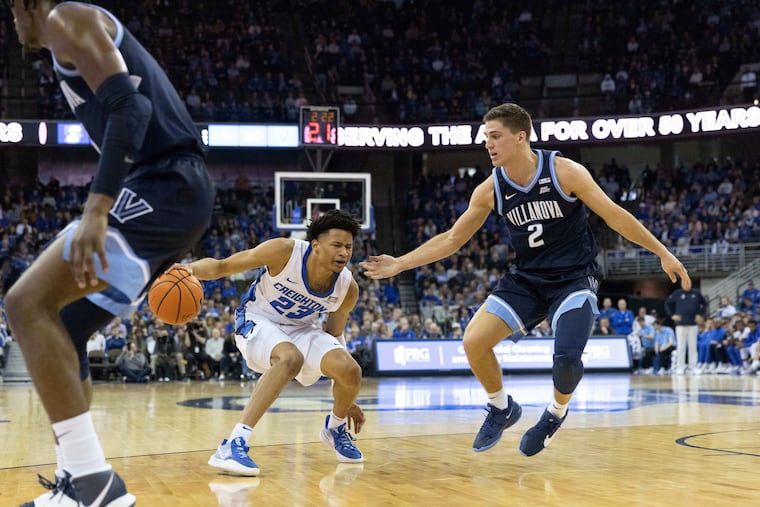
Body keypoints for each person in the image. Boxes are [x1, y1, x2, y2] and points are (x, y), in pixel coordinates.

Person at [361, 103, 690, 457]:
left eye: (495, 136)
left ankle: (554, 414)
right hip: (527, 279)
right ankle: (501, 407)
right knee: (473, 341)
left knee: (565, 360)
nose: (488, 143)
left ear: (521, 137)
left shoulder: (565, 172)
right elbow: (452, 239)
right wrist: (400, 264)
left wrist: (663, 252)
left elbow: (614, 215)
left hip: (574, 278)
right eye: (485, 137)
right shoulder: (490, 189)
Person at [2, 2, 214, 506]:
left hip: (164, 182)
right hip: (171, 187)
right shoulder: (69, 31)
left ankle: (94, 485)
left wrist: (97, 209)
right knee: (66, 326)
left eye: (12, 9)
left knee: (25, 303)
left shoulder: (65, 18)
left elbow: (132, 108)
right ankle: (77, 484)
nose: (13, 23)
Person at [179, 209, 365, 476]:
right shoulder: (284, 252)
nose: (344, 253)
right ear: (316, 245)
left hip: (301, 329)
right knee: (290, 358)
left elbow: (334, 335)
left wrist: (346, 395)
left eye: (348, 247)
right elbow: (222, 267)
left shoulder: (347, 288)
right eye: (336, 245)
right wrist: (187, 269)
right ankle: (234, 443)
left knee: (351, 370)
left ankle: (335, 428)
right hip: (257, 321)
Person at [665, 285, 707, 374]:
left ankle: (693, 367)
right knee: (681, 346)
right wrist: (672, 315)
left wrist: (700, 314)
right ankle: (680, 367)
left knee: (693, 346)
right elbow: (667, 303)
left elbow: (704, 303)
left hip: (693, 324)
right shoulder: (677, 293)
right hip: (680, 324)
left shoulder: (696, 293)